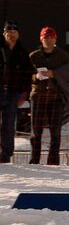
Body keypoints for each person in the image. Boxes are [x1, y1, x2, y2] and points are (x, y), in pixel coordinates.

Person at [28, 26, 69, 165]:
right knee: (36, 133)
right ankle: (34, 161)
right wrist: (36, 76)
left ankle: (53, 162)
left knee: (56, 132)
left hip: (56, 98)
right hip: (38, 97)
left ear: (55, 39)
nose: (48, 40)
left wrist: (54, 74)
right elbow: (25, 76)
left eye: (51, 37)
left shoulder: (63, 56)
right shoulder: (33, 56)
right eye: (45, 37)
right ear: (41, 39)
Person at [0, 22, 31, 163]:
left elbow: (27, 75)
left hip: (13, 94)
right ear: (4, 34)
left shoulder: (23, 53)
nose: (11, 35)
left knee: (8, 126)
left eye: (14, 33)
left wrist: (24, 93)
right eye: (8, 32)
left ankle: (6, 155)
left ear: (18, 35)